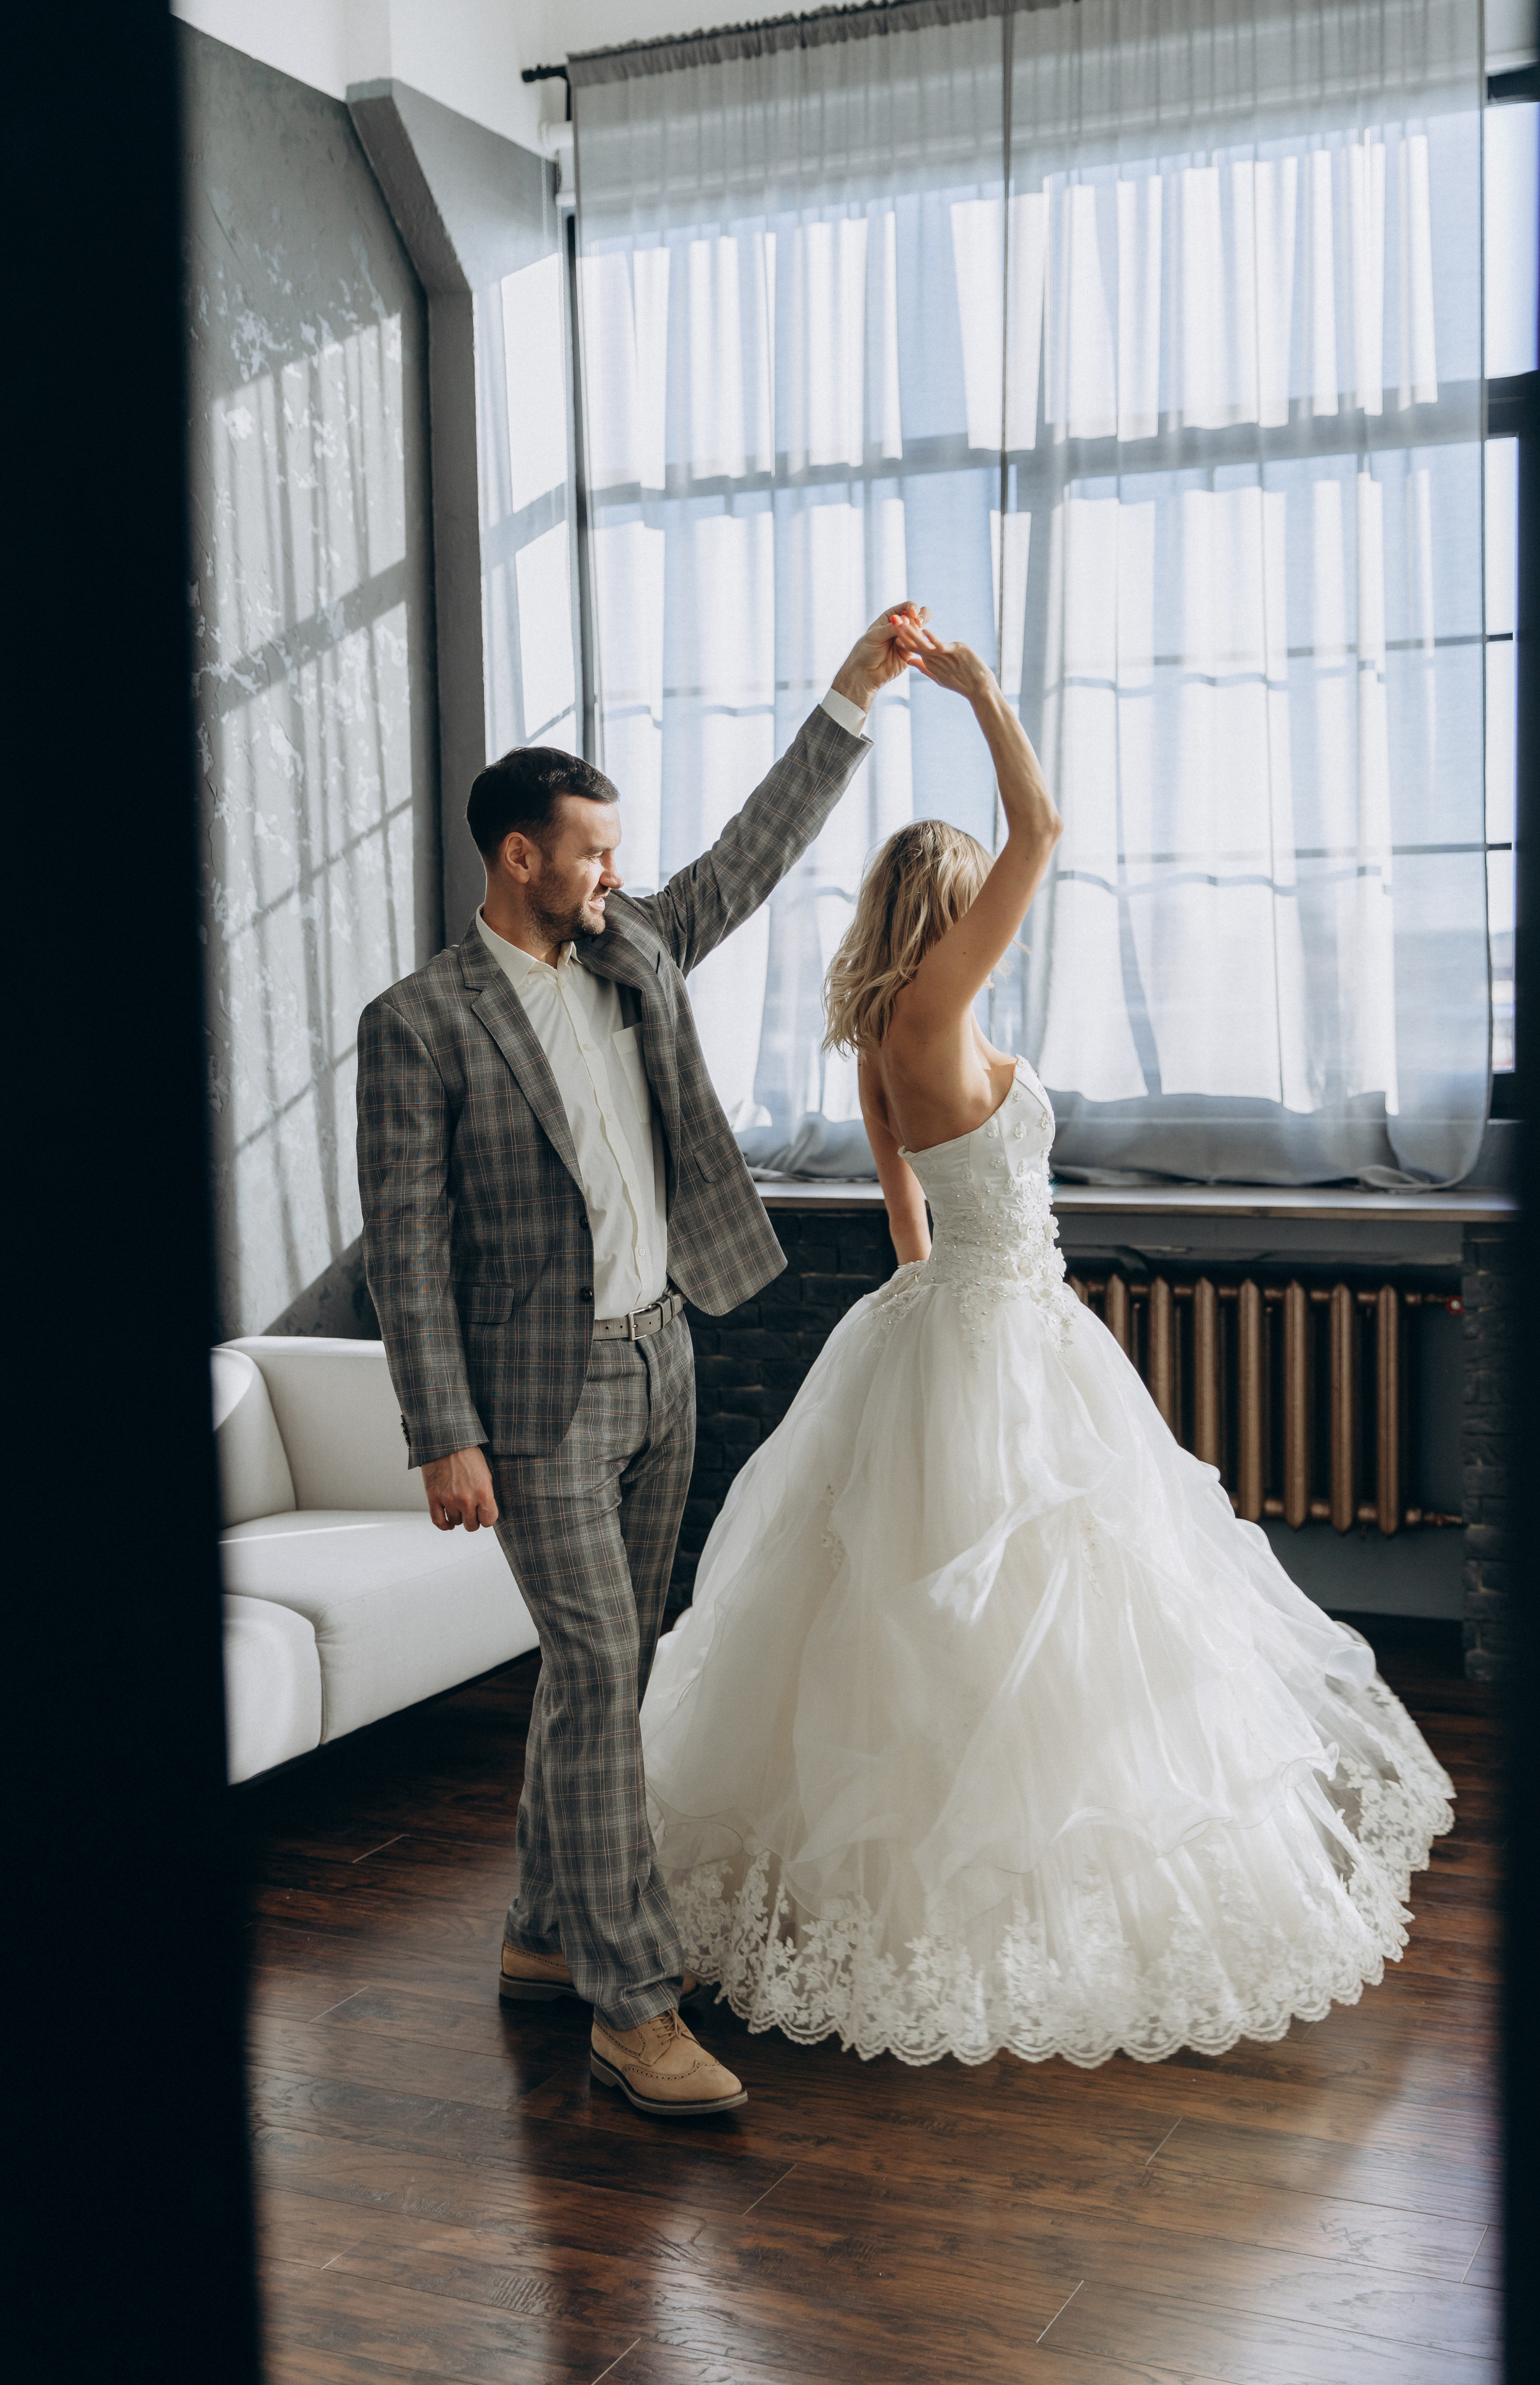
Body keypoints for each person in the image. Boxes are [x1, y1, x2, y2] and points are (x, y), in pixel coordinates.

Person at [638, 616, 1455, 2069]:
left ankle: (894, 1908)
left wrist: (940, 1316)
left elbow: (908, 1225)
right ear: (951, 912)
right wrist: (976, 693)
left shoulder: (884, 1036)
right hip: (1003, 1335)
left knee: (932, 1631)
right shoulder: (944, 1007)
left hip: (953, 1323)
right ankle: (1008, 1919)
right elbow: (1046, 824)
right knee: (1032, 1622)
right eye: (976, 908)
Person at [355, 607, 920, 2118]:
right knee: (602, 1667)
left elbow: (748, 854)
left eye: (615, 851)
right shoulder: (419, 1024)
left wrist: (849, 698)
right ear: (516, 856)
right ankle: (629, 2006)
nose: (612, 871)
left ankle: (544, 1931)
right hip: (533, 1402)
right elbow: (403, 1247)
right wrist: (440, 1433)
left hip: (662, 1358)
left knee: (605, 1671)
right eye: (588, 850)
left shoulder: (632, 951)